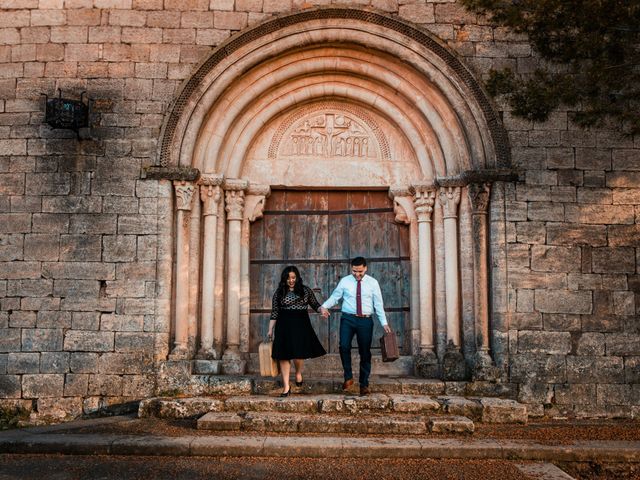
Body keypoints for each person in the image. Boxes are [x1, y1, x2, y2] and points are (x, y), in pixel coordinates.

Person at [319, 257, 391, 396]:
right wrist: (324, 306)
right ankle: (348, 377)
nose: (357, 274)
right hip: (348, 318)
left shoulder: (373, 283)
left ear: (366, 268)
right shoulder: (345, 281)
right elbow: (335, 297)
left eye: (360, 271)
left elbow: (378, 305)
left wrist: (384, 323)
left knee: (365, 352)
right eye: (354, 271)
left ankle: (364, 384)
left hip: (365, 320)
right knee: (344, 346)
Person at [268, 265, 326, 397]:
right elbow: (275, 312)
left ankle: (298, 372)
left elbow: (315, 304)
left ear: (297, 277)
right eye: (288, 278)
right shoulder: (279, 292)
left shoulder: (305, 291)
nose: (291, 280)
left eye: (293, 277)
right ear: (284, 279)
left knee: (298, 354)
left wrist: (322, 310)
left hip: (301, 324)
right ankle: (286, 387)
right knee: (283, 355)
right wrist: (270, 329)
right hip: (283, 325)